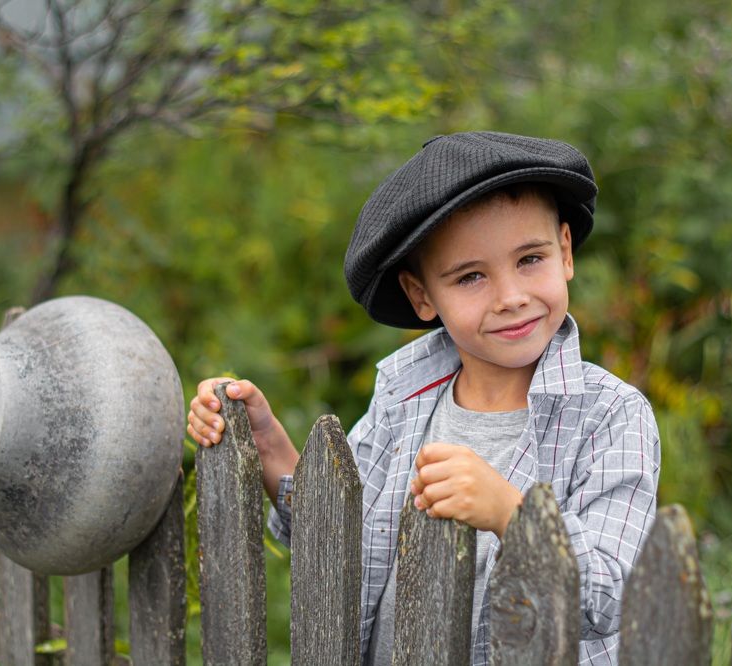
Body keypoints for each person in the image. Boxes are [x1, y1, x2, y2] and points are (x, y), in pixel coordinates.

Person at [187, 131, 660, 665]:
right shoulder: (403, 398)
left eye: (530, 259)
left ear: (565, 252)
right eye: (471, 276)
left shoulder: (609, 416)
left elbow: (612, 597)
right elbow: (339, 539)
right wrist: (269, 447)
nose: (511, 297)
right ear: (422, 296)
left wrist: (513, 516)